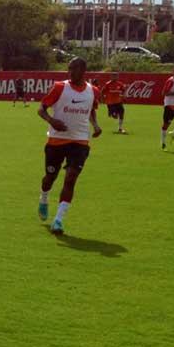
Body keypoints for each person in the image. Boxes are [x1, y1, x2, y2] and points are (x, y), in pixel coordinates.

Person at [37, 58, 102, 235]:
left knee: (71, 177)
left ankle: (58, 220)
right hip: (56, 140)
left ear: (83, 70)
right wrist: (52, 121)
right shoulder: (59, 87)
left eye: (73, 69)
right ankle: (43, 198)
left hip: (80, 141)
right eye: (69, 69)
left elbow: (91, 110)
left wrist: (95, 125)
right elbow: (41, 109)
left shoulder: (93, 91)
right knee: (50, 178)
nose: (69, 72)